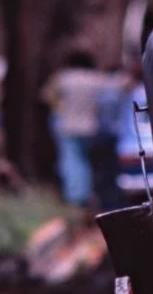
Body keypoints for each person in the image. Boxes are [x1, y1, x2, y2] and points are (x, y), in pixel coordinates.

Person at [42, 51, 109, 209]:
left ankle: (75, 197)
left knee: (70, 162)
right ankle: (87, 193)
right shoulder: (96, 79)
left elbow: (46, 96)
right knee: (85, 161)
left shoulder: (62, 78)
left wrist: (58, 108)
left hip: (67, 126)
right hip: (90, 126)